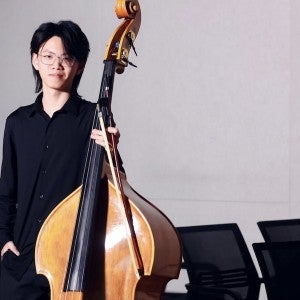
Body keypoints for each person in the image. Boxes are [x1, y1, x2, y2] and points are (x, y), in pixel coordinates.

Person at [0, 20, 120, 299]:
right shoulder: (17, 122)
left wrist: (111, 154)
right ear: (35, 60)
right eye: (48, 57)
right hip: (19, 261)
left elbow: (116, 187)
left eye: (67, 58)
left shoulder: (95, 117)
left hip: (73, 261)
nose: (57, 65)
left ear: (79, 66)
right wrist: (3, 240)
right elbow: (5, 193)